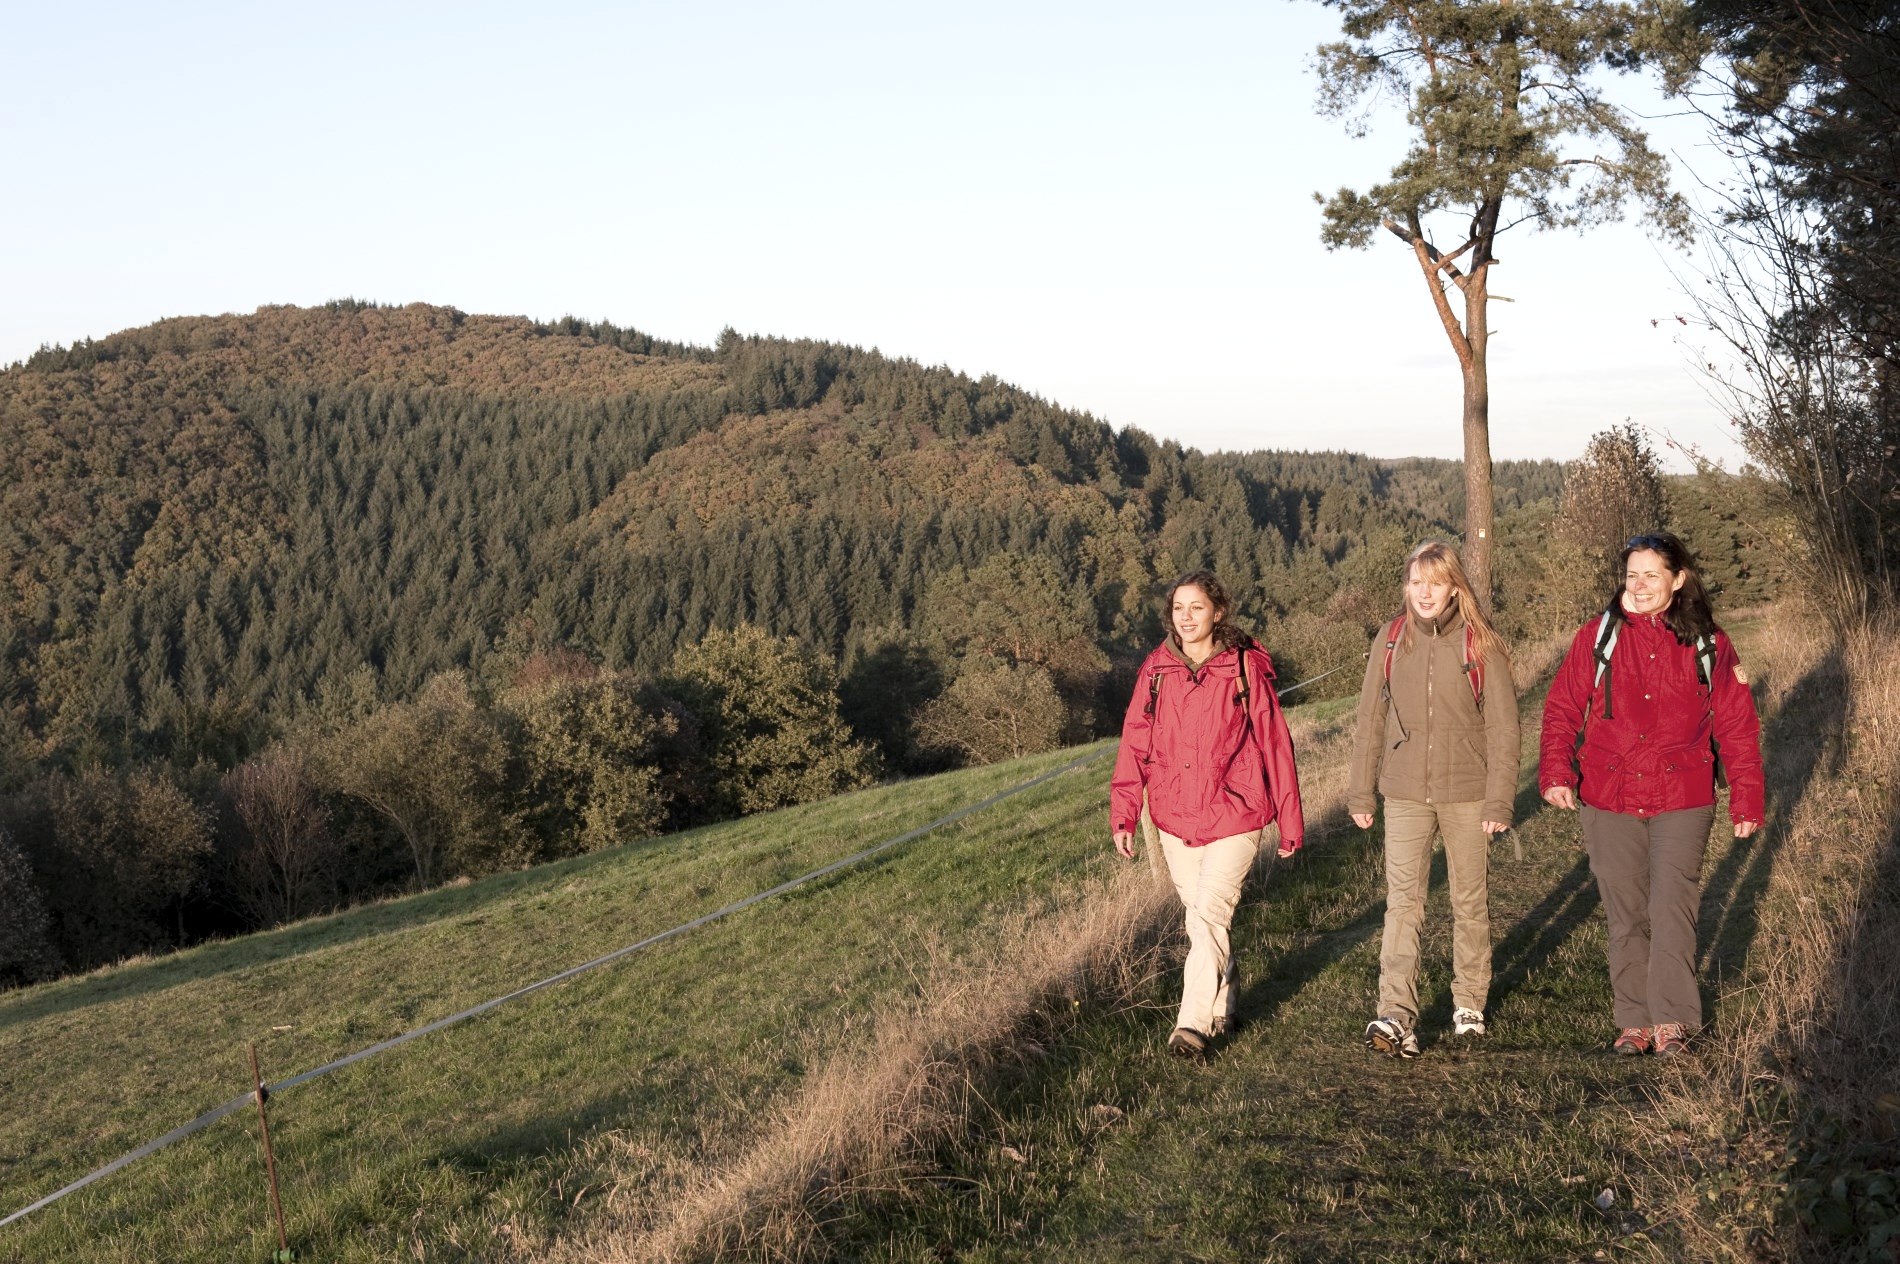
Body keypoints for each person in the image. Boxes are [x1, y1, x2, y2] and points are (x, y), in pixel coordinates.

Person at [1538, 531, 1764, 1057]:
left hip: (1683, 795)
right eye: (1632, 575)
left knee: (1672, 910)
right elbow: (1563, 707)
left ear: (1678, 579)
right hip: (1608, 794)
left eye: (1651, 575)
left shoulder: (1709, 642)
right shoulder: (1598, 635)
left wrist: (1747, 797)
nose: (1639, 586)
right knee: (1626, 914)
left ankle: (1672, 1020)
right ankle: (1634, 1021)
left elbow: (1736, 724)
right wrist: (1556, 772)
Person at [1110, 570, 1305, 1057]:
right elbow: (1134, 743)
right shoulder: (1156, 670)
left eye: (1196, 607)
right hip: (1174, 818)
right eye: (1179, 608)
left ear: (1218, 612)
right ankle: (1224, 1000)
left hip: (1236, 812)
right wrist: (1125, 813)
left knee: (1210, 915)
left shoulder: (1242, 667)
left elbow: (1274, 742)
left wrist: (1290, 820)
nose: (1186, 617)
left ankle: (1191, 1026)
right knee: (1202, 921)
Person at [1348, 541, 1519, 1059]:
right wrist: (1361, 791)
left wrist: (1499, 800)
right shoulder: (1390, 639)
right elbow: (1370, 719)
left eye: (1436, 582)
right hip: (1403, 793)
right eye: (1417, 582)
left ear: (1454, 588)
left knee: (1469, 901)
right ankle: (1396, 1014)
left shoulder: (1481, 643)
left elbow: (1504, 728)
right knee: (1403, 904)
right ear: (1406, 586)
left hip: (1468, 792)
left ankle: (1469, 1002)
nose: (1425, 593)